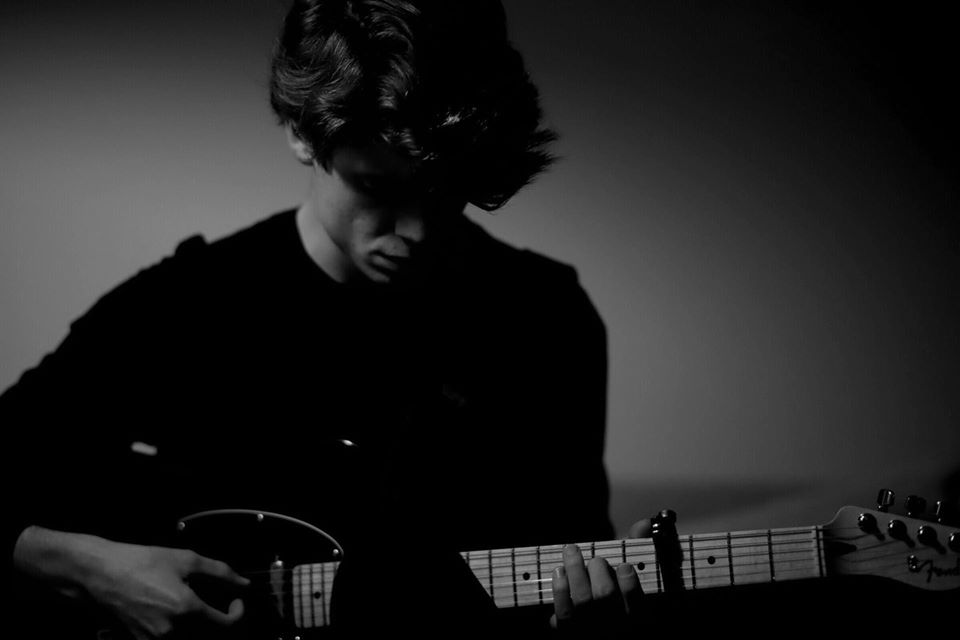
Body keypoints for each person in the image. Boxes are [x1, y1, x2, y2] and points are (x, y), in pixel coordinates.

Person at [4, 0, 641, 636]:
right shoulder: (189, 303)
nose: (416, 231)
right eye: (378, 189)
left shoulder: (546, 318)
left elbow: (572, 554)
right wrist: (91, 570)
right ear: (302, 133)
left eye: (445, 194)